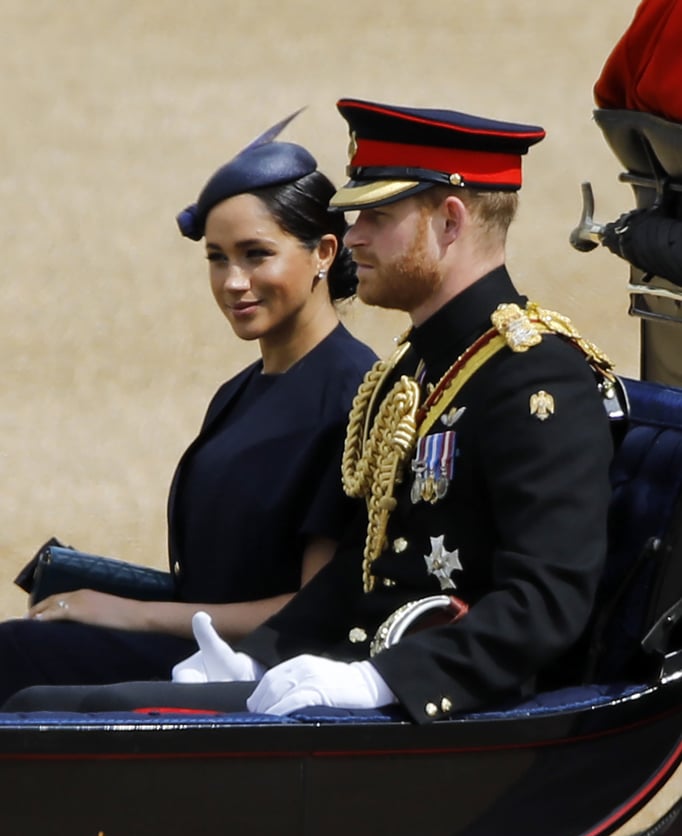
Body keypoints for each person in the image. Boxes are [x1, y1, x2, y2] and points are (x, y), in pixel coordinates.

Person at [5, 97, 615, 720]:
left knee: (46, 712)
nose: (352, 237)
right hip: (350, 684)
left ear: (450, 221)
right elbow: (363, 563)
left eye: (376, 216)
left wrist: (385, 681)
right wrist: (258, 655)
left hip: (439, 718)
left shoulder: (536, 377)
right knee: (40, 696)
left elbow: (545, 600)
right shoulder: (416, 370)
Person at [0, 116, 375, 703]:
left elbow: (314, 610)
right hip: (197, 653)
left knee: (15, 657)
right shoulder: (240, 391)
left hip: (258, 678)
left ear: (324, 252)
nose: (233, 281)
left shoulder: (354, 393)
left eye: (256, 254)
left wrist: (133, 613)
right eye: (217, 258)